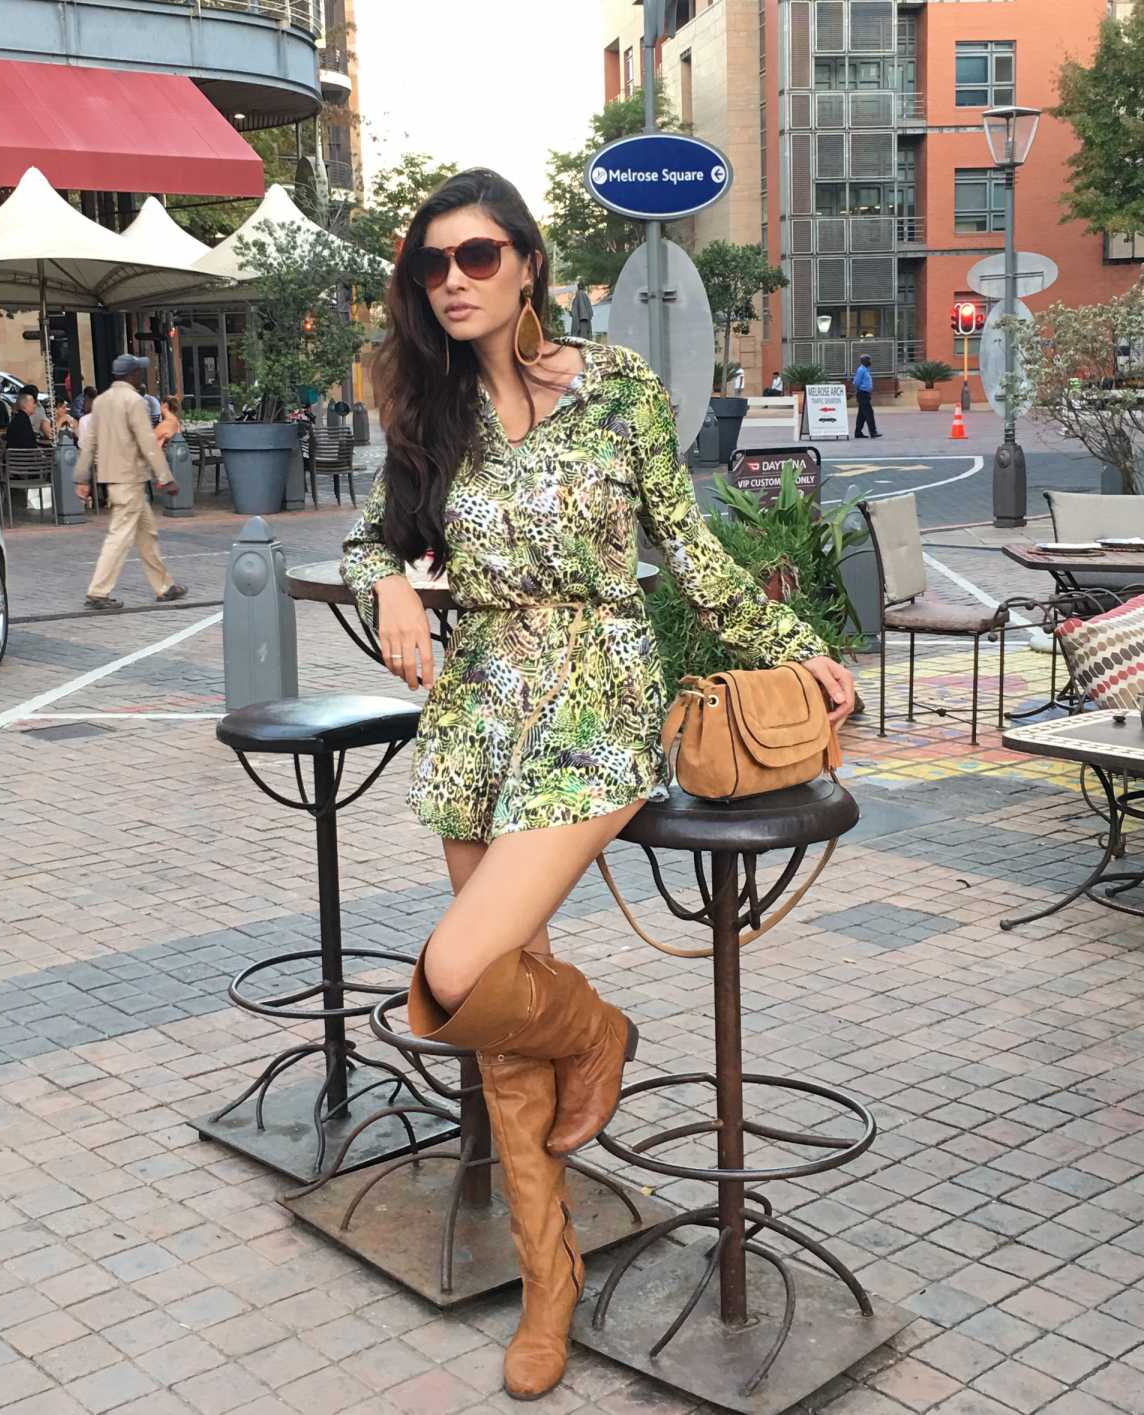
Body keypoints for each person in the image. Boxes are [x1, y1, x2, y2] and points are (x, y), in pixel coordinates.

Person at [339, 168, 855, 1402]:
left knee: (456, 978)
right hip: (479, 713)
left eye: (474, 258)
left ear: (526, 262)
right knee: (495, 1023)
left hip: (593, 692)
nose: (449, 283)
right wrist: (394, 580)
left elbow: (687, 546)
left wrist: (794, 645)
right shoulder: (431, 405)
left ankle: (603, 1032)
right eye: (429, 265)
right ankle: (550, 1274)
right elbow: (374, 534)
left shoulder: (615, 386)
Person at [74, 355, 187, 611]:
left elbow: (88, 441)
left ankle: (164, 586)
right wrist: (166, 477)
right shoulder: (134, 401)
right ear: (132, 375)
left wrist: (82, 478)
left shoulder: (101, 401)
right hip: (130, 478)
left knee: (147, 534)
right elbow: (147, 443)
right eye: (139, 372)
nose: (141, 376)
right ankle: (98, 592)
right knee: (120, 536)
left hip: (115, 480)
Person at [853, 354, 880, 438]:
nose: (870, 361)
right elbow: (856, 382)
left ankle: (858, 433)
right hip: (862, 394)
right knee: (869, 413)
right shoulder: (861, 370)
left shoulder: (866, 370)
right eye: (868, 360)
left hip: (865, 394)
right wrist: (860, 390)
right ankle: (873, 432)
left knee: (862, 414)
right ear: (864, 361)